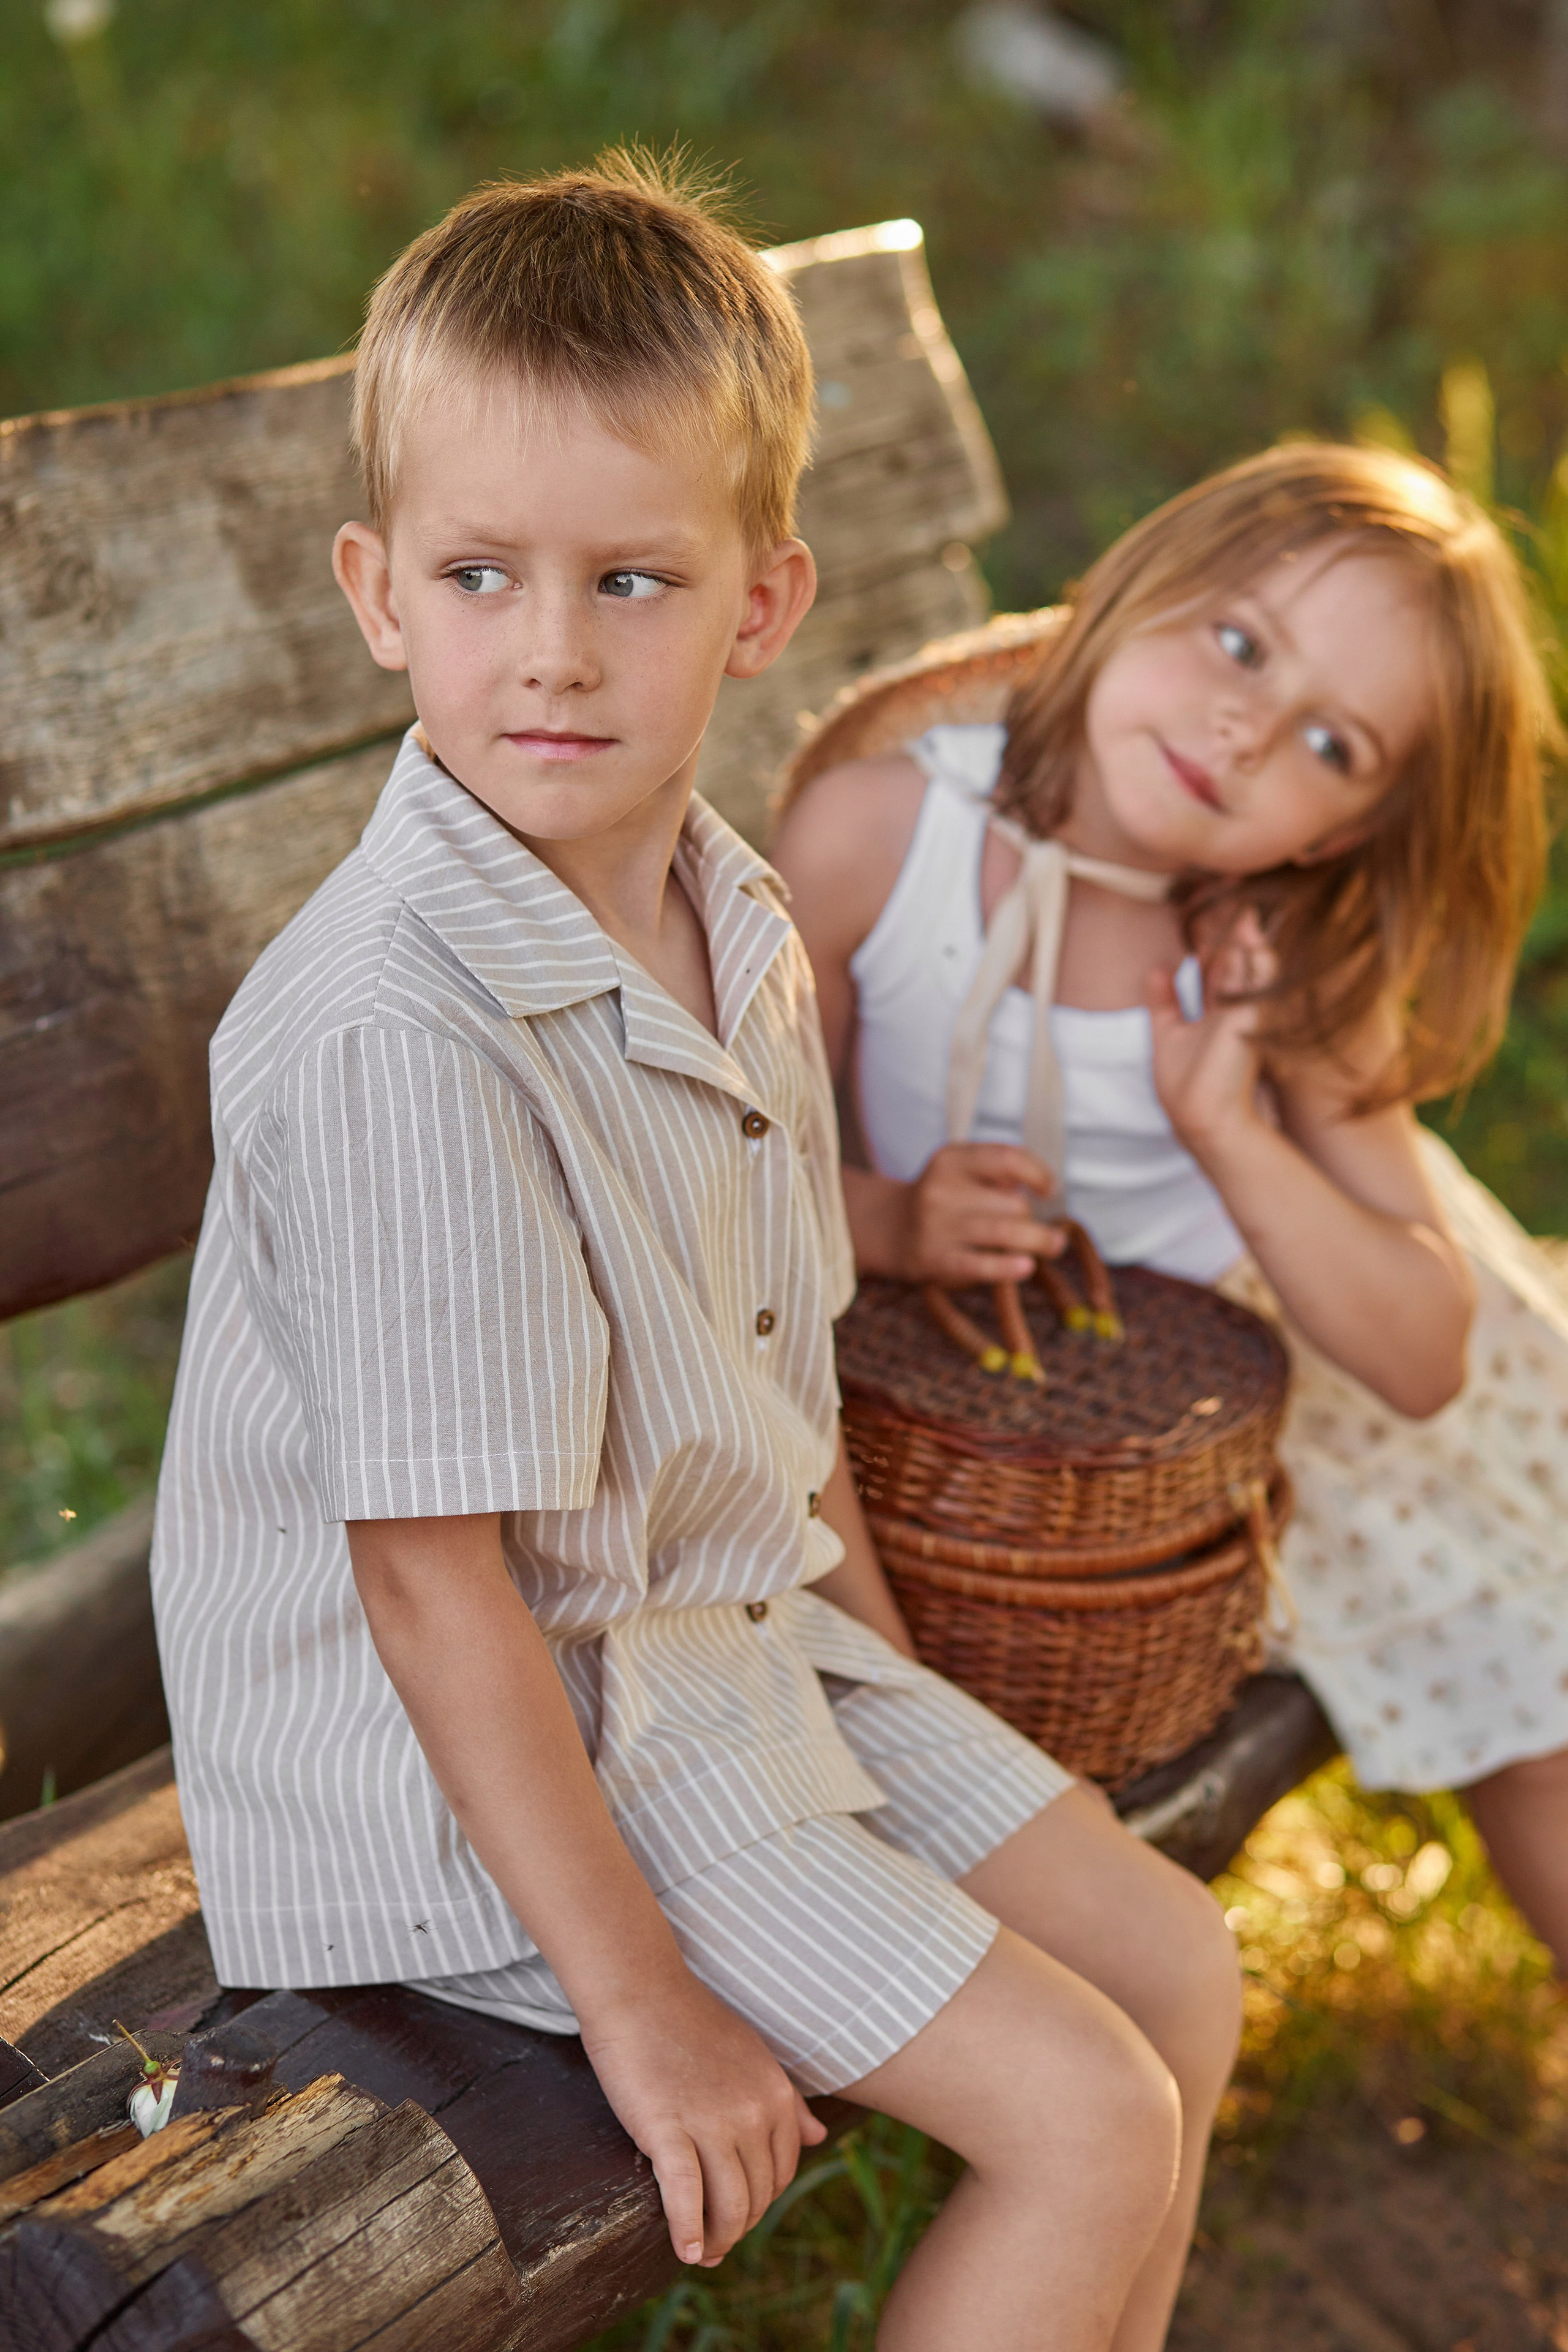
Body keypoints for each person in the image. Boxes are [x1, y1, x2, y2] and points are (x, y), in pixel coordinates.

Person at [149, 157, 1240, 2352]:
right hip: (501, 1758)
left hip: (723, 1648)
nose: (551, 650)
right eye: (481, 575)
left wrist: (895, 1692)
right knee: (1091, 2123)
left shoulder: (724, 920)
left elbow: (774, 1365)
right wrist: (642, 2007)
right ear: (378, 591)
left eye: (631, 579)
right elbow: (431, 1578)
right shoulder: (401, 1028)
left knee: (1178, 1975)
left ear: (760, 604)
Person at [772, 439, 1568, 1978]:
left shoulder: (1277, 956)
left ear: (1334, 832)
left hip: (1298, 1400)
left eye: (1329, 744)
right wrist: (891, 1221)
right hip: (1032, 1420)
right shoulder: (878, 839)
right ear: (1142, 585)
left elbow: (1418, 1359)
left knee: (1542, 1727)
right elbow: (755, 1181)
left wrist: (1229, 1125)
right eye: (1237, 641)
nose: (1244, 727)